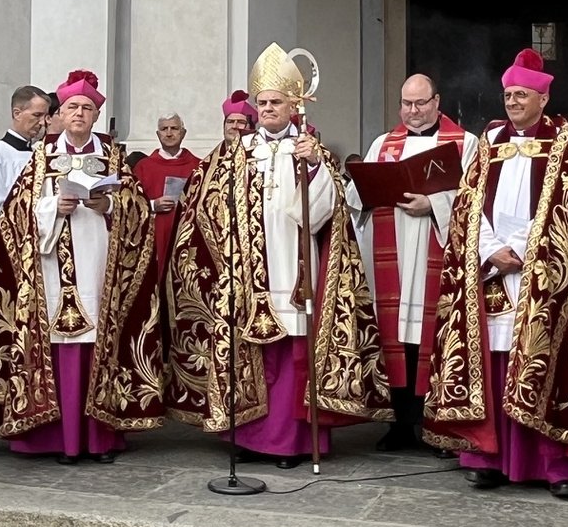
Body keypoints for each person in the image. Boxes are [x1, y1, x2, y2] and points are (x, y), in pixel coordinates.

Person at [166, 45, 391, 466]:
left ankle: (290, 443)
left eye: (276, 102)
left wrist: (312, 169)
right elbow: (203, 208)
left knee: (292, 356)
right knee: (248, 353)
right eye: (262, 103)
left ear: (294, 105)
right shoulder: (232, 153)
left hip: (294, 266)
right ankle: (250, 440)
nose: (267, 109)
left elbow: (324, 214)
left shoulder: (311, 151)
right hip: (244, 273)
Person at [0, 69, 164, 463]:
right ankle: (55, 438)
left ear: (94, 115)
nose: (79, 114)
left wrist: (108, 205)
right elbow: (14, 214)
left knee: (98, 345)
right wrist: (52, 208)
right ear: (61, 112)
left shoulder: (112, 157)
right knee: (56, 345)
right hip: (50, 269)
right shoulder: (41, 158)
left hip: (99, 269)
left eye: (87, 108)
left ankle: (99, 438)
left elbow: (139, 210)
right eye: (72, 106)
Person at [427, 49, 568, 498]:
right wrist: (493, 250)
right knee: (493, 360)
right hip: (494, 269)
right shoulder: (490, 141)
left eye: (521, 95)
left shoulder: (566, 145)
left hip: (547, 274)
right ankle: (487, 457)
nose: (513, 102)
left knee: (547, 361)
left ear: (543, 97)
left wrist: (524, 248)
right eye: (508, 94)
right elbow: (467, 204)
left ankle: (557, 467)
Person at [346, 74, 474, 452]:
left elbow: (475, 199)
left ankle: (436, 426)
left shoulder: (466, 144)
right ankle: (401, 424)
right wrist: (365, 189)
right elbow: (356, 195)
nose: (413, 112)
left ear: (437, 101)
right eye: (406, 104)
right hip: (394, 255)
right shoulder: (383, 144)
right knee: (397, 339)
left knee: (432, 337)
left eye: (420, 103)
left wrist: (432, 204)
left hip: (437, 249)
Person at [0, 86, 50, 261]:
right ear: (17, 113)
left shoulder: (40, 155)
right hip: (5, 254)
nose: (43, 123)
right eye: (37, 115)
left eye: (45, 116)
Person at [133, 111, 202, 277]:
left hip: (188, 235)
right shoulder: (143, 167)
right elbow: (131, 204)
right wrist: (153, 205)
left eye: (174, 128)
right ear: (158, 134)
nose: (169, 133)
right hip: (153, 235)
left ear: (183, 133)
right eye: (164, 129)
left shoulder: (198, 166)